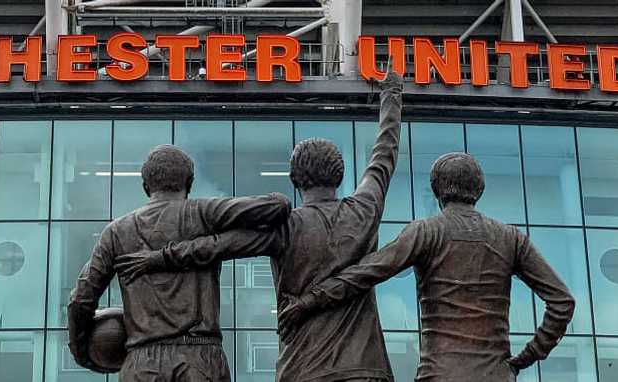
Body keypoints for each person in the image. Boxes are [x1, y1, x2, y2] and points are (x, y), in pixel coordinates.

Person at [115, 71, 404, 382]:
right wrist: (392, 93)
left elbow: (215, 246)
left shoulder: (285, 227)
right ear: (340, 174)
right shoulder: (365, 209)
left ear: (294, 180)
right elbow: (385, 152)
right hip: (366, 369)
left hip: (303, 370)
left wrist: (158, 257)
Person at [278, 152, 576, 381]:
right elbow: (562, 302)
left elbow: (364, 274)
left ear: (437, 191)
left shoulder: (426, 232)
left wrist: (308, 301)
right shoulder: (510, 238)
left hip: (440, 374)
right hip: (496, 374)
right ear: (479, 189)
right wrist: (524, 358)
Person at [67, 144, 290, 381]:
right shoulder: (204, 213)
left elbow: (80, 300)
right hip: (200, 360)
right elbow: (278, 206)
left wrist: (83, 353)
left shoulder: (117, 232)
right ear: (190, 183)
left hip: (143, 364)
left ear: (146, 186)